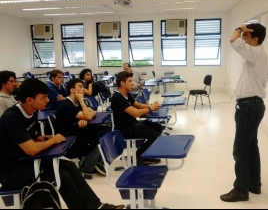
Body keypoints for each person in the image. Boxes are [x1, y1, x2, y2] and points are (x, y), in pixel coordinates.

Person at [0, 78, 125, 209]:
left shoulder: (32, 111)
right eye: (43, 98)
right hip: (11, 171)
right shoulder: (12, 117)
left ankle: (98, 206)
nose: (48, 101)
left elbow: (31, 132)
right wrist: (53, 140)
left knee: (70, 166)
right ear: (30, 100)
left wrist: (39, 137)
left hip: (26, 161)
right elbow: (31, 150)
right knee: (62, 175)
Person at [220, 23, 268, 202]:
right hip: (253, 106)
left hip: (249, 108)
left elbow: (232, 40)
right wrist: (244, 30)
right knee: (251, 147)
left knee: (240, 150)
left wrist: (239, 27)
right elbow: (237, 41)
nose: (243, 37)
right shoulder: (258, 55)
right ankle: (254, 184)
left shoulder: (255, 53)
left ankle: (240, 190)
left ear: (255, 39)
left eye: (247, 35)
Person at [55, 78, 110, 176]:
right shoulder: (66, 105)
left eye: (84, 87)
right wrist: (82, 103)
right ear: (72, 90)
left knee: (104, 131)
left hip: (77, 131)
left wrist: (84, 118)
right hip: (67, 138)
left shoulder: (76, 103)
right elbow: (88, 115)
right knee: (97, 138)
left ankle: (96, 161)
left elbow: (92, 112)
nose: (83, 90)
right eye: (80, 87)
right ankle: (87, 167)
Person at [111, 71, 162, 165]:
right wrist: (151, 108)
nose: (133, 83)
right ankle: (138, 156)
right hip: (125, 129)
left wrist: (151, 106)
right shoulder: (117, 97)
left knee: (158, 127)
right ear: (122, 83)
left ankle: (144, 154)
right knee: (155, 135)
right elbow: (136, 113)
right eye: (130, 81)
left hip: (133, 124)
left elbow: (137, 105)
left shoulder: (126, 94)